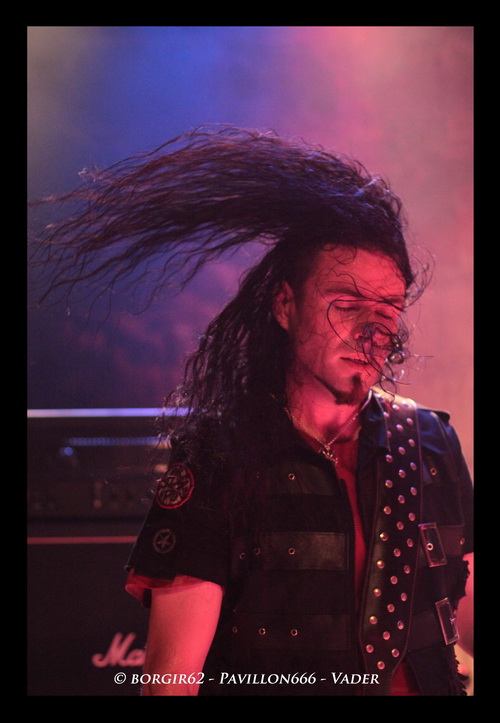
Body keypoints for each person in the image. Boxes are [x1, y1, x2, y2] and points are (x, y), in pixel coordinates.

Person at [30, 126, 473, 696]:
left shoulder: (430, 440)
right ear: (285, 305)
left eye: (388, 309)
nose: (372, 329)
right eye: (345, 304)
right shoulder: (221, 453)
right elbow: (171, 681)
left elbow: (460, 619)